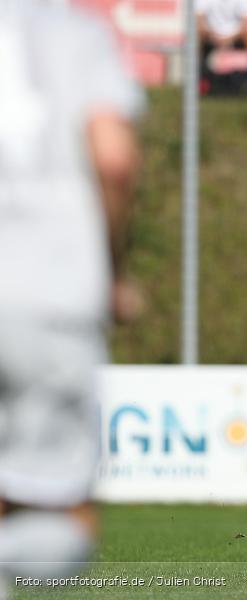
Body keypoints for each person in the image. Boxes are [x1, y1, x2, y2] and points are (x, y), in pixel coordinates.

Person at [0, 0, 143, 595]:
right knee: (54, 503)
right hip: (49, 289)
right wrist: (111, 268)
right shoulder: (75, 34)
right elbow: (113, 156)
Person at [197, 0, 247, 98]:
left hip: (236, 35)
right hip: (211, 35)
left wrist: (229, 38)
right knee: (196, 38)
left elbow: (245, 24)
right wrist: (212, 35)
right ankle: (197, 81)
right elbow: (200, 21)